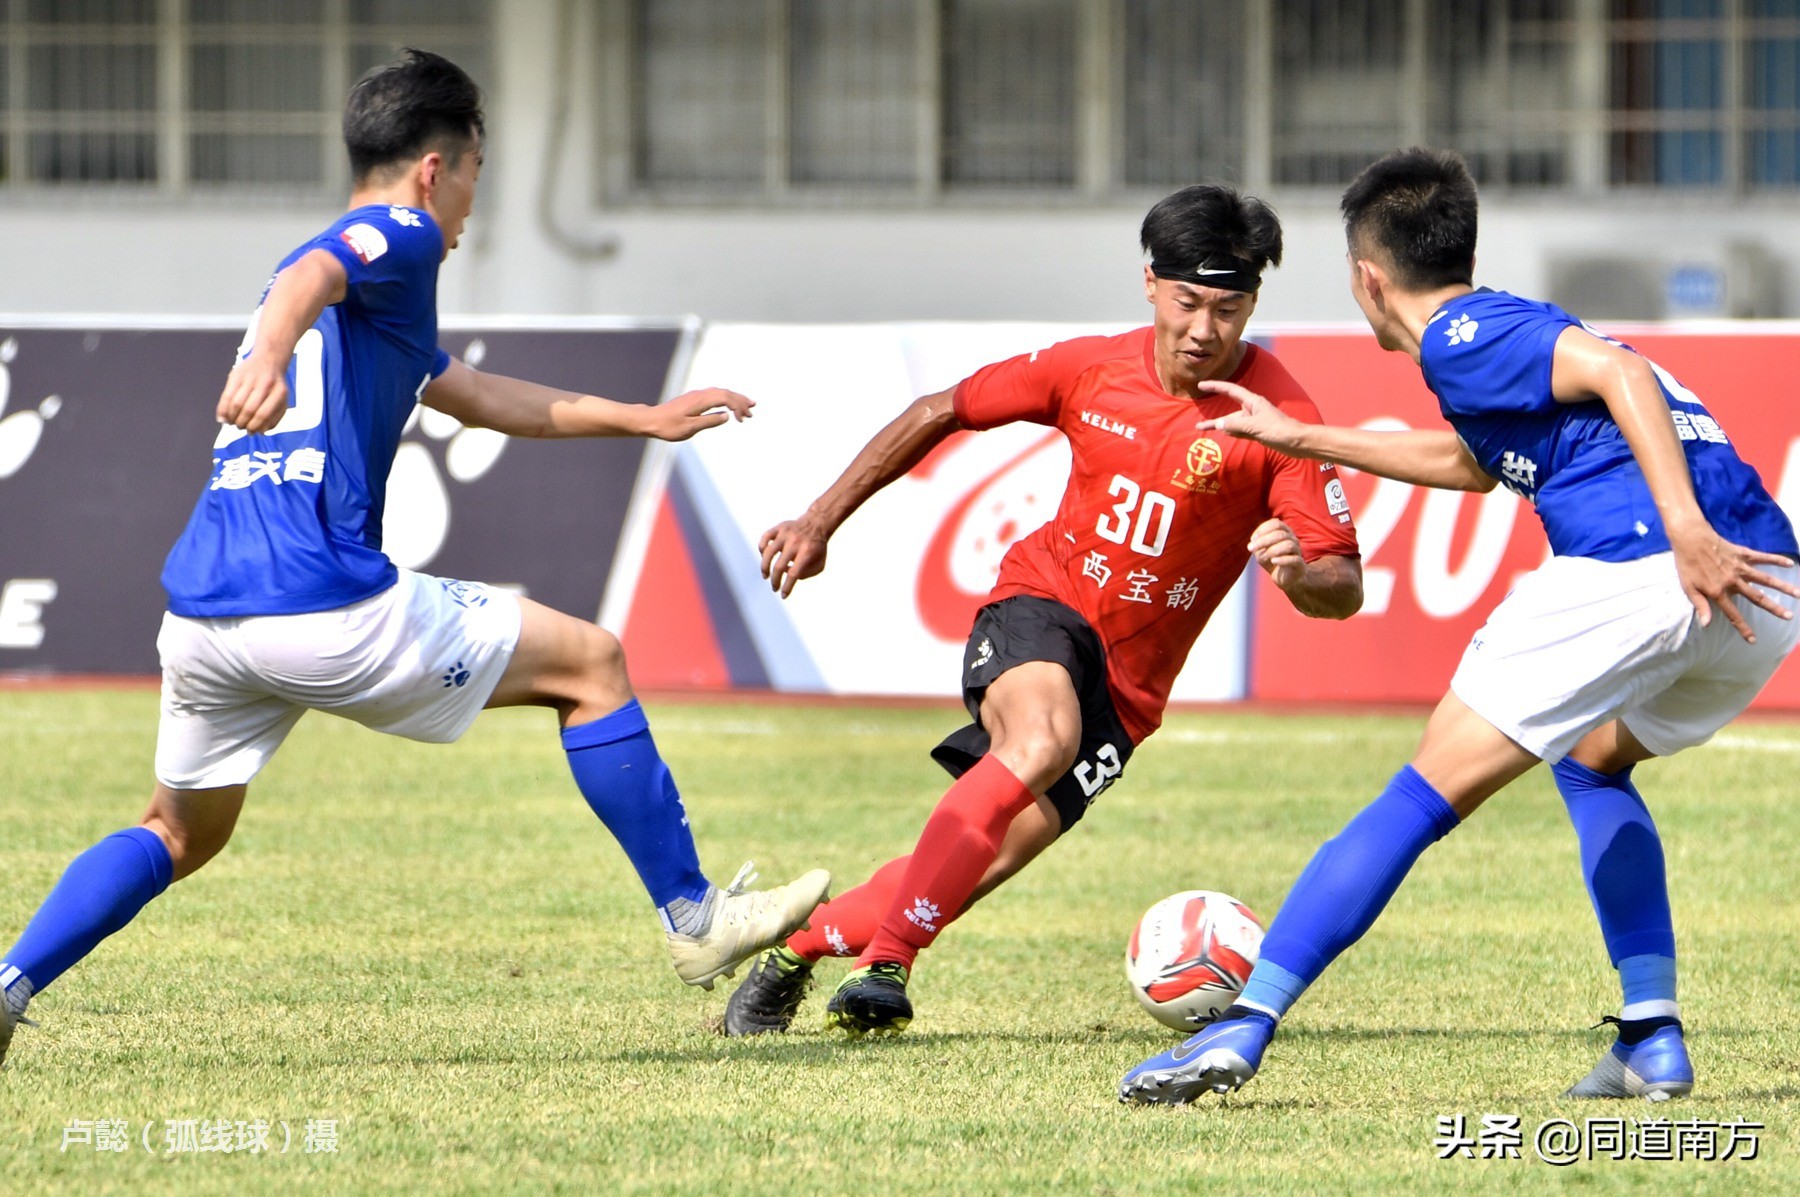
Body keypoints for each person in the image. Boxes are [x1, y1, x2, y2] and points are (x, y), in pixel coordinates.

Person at [0, 49, 829, 1067]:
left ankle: (9, 981)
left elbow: (474, 393)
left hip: (205, 617)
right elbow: (320, 268)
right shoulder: (395, 235)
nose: (477, 200)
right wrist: (262, 355)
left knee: (177, 833)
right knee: (592, 664)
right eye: (478, 170)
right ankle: (694, 918)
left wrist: (642, 418)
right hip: (321, 602)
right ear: (436, 168)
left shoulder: (361, 300)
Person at [1120, 147, 1800, 1105]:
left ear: (1368, 276)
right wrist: (1301, 436)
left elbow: (1620, 377)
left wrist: (1683, 532)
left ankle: (1241, 1025)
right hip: (1764, 589)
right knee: (1591, 759)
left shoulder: (1462, 333)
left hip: (1654, 564)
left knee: (1417, 796)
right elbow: (1477, 463)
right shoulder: (1496, 342)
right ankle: (1651, 1034)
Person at [724, 184, 1364, 1038]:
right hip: (1042, 607)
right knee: (1040, 737)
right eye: (1188, 302)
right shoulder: (1090, 368)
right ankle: (888, 963)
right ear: (1150, 285)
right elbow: (937, 409)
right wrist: (817, 520)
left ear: (1253, 302)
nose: (1206, 329)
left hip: (1130, 697)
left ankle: (793, 950)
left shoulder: (1279, 420)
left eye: (1230, 307)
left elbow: (1344, 581)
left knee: (969, 863)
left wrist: (1299, 574)